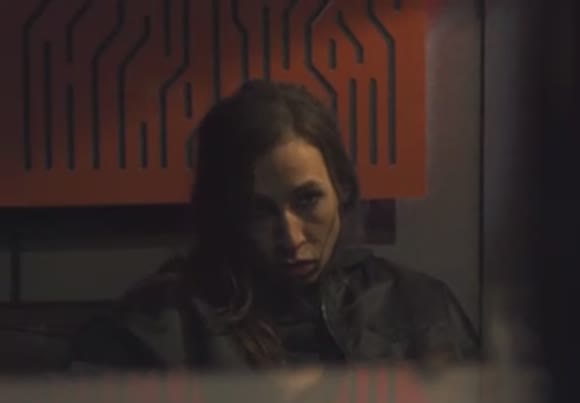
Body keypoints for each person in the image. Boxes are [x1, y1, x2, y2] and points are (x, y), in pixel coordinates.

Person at [68, 80, 479, 370]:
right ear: (225, 212)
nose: (291, 238)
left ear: (341, 189)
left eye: (308, 199)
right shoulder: (160, 322)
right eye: (259, 211)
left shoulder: (419, 306)